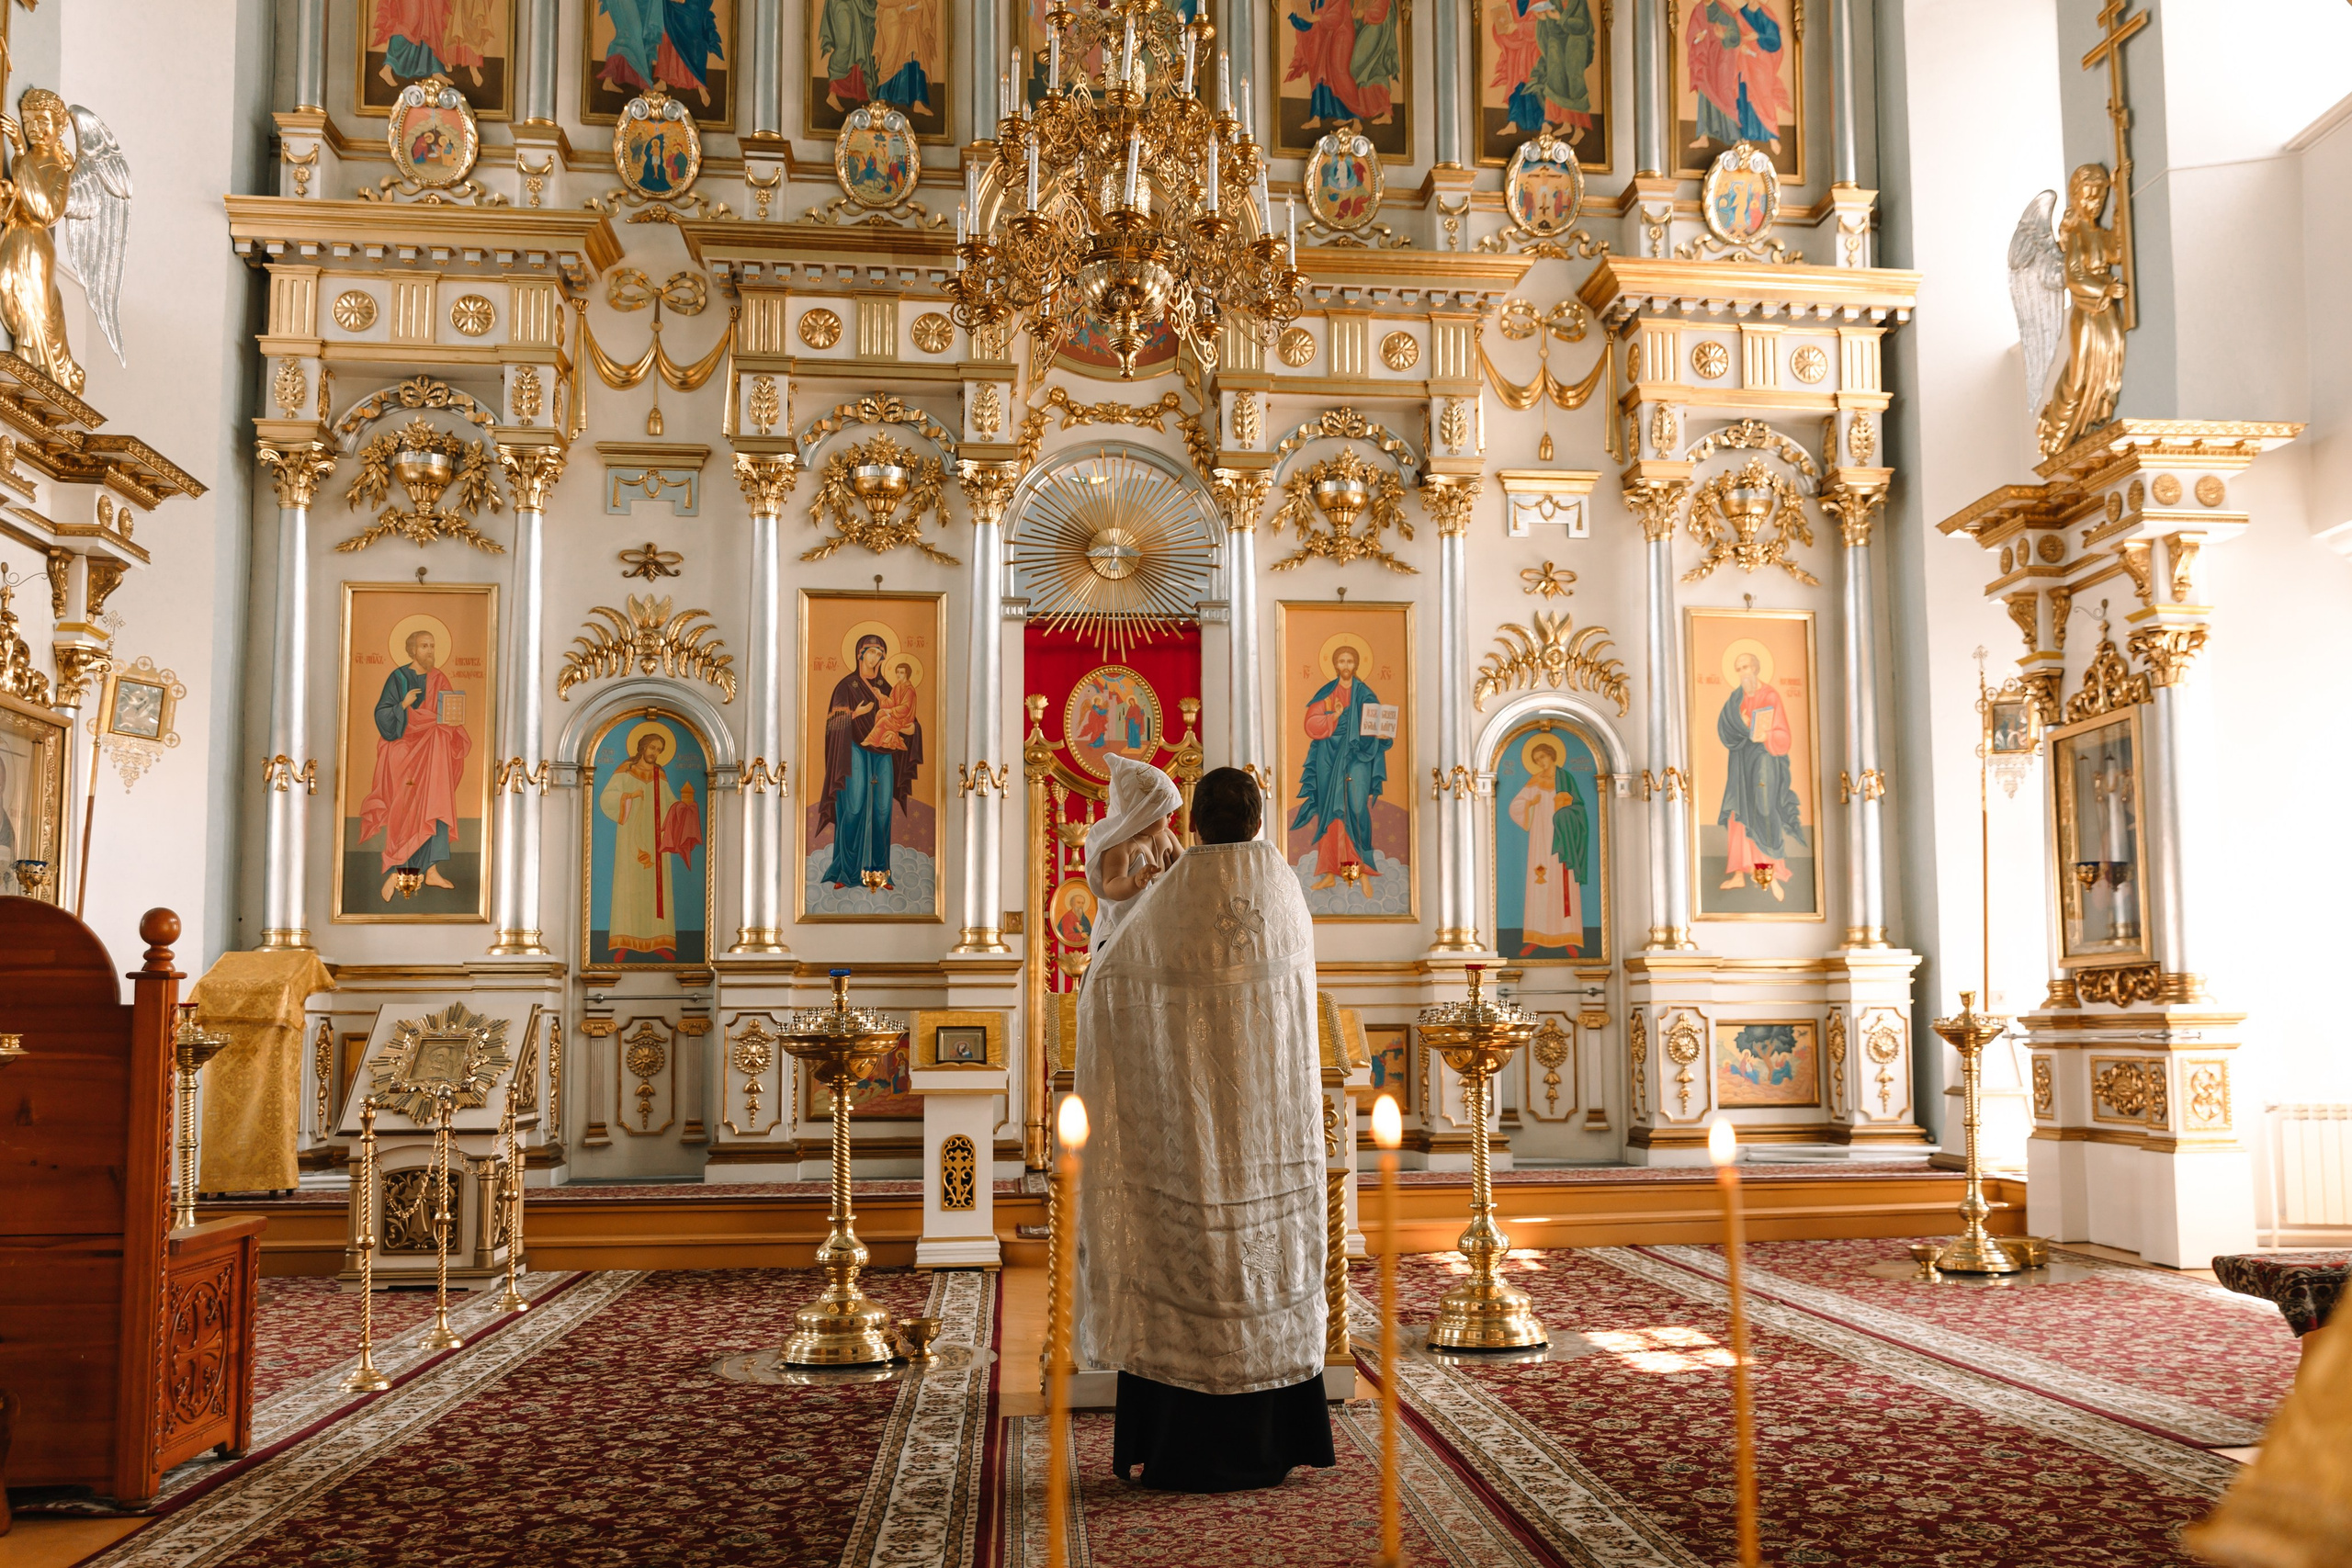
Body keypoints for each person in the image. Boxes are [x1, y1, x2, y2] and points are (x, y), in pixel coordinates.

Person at [1077, 767, 1335, 1493]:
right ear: (1258, 819)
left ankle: (1179, 1443)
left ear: (1192, 825)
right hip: (1270, 1136)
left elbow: (1106, 990)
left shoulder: (1173, 895)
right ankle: (1278, 1437)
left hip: (1188, 1143)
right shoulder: (1284, 888)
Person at [358, 626, 470, 904]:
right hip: (404, 752)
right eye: (424, 646)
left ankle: (431, 869)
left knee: (436, 803)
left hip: (434, 751)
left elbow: (448, 714)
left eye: (432, 646)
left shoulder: (440, 677)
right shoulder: (397, 678)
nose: (430, 651)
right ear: (412, 650)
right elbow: (382, 715)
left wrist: (453, 722)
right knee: (405, 807)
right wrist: (403, 705)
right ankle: (398, 870)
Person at [1291, 644, 1390, 891]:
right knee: (1329, 809)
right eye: (1341, 661)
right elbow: (1311, 724)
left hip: (1359, 756)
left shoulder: (1366, 694)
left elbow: (1378, 725)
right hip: (1329, 756)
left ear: (1356, 665)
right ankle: (1330, 870)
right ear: (1335, 665)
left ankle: (1364, 866)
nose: (1346, 666)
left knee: (1356, 807)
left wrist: (1382, 734)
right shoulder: (1327, 693)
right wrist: (1334, 717)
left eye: (1350, 661)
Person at [597, 726, 704, 957]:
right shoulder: (625, 771)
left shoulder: (660, 774)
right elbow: (607, 798)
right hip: (630, 842)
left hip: (657, 840)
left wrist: (685, 808)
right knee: (628, 888)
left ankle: (658, 942)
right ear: (643, 746)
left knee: (656, 891)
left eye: (659, 750)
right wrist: (628, 796)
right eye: (653, 747)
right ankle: (624, 942)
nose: (655, 753)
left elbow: (669, 804)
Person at [1714, 648, 1803, 902]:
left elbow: (1783, 736)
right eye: (1739, 668)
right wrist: (1741, 724)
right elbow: (1726, 725)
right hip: (1741, 760)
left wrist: (1764, 735)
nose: (1744, 672)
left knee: (1763, 809)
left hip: (1764, 760)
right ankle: (1740, 873)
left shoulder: (1770, 695)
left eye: (1747, 667)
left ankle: (1770, 873)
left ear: (1757, 669)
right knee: (1737, 812)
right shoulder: (1735, 698)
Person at [1082, 754, 1184, 970]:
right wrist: (1134, 882)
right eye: (1165, 812)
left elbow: (1186, 865)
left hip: (1158, 926)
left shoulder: (1166, 836)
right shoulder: (1120, 846)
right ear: (1142, 813)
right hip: (1122, 931)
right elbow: (1110, 885)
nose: (1171, 816)